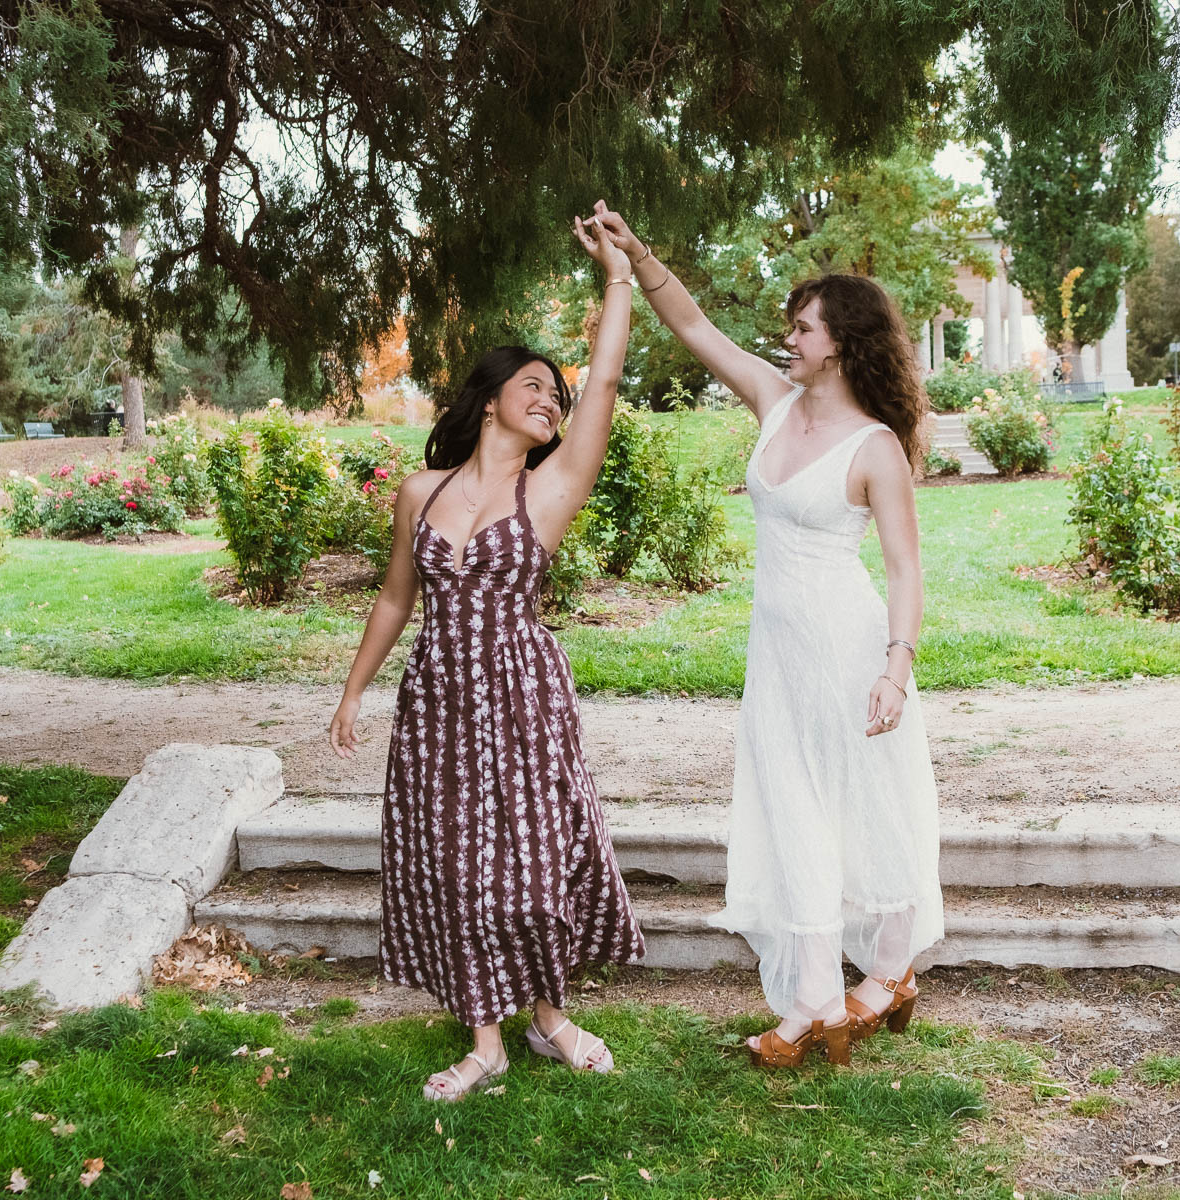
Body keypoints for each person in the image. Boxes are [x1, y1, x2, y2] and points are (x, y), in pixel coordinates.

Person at [589, 206, 944, 1070]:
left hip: (852, 649)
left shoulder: (875, 448)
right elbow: (694, 325)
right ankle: (817, 1000)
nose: (788, 337)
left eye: (803, 327)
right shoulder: (774, 403)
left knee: (866, 808)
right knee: (792, 813)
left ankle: (889, 971)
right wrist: (635, 255)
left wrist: (896, 670)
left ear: (841, 341)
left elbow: (904, 569)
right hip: (777, 656)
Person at [328, 209, 644, 1101]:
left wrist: (617, 277)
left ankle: (550, 1018)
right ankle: (486, 1041)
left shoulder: (549, 490)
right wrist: (353, 693)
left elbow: (608, 379)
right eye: (537, 385)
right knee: (458, 858)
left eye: (558, 396)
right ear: (493, 392)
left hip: (522, 689)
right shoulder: (419, 491)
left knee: (535, 853)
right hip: (438, 695)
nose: (552, 399)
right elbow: (397, 597)